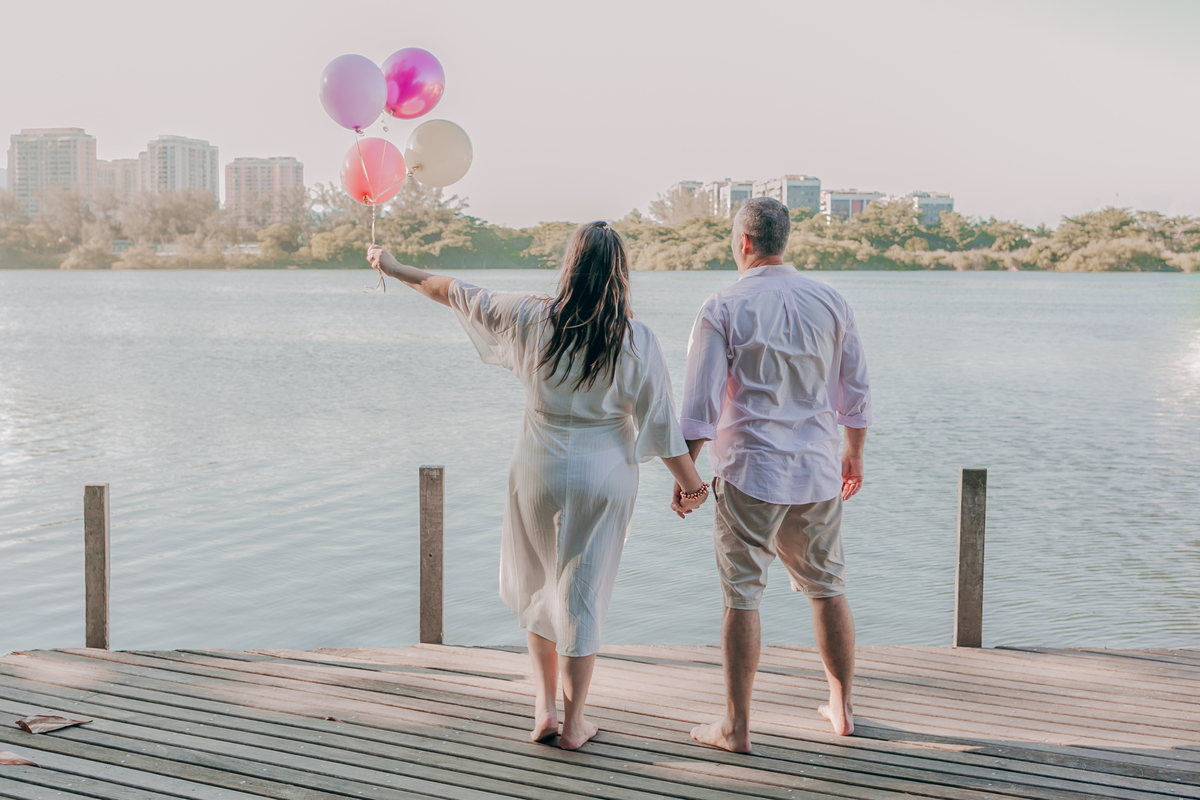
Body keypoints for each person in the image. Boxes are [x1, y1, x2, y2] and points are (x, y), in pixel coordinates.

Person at [367, 223, 709, 750]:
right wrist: (691, 488)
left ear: (569, 266)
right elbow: (661, 426)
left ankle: (545, 711)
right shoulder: (635, 338)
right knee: (582, 594)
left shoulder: (528, 316)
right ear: (619, 274)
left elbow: (447, 289)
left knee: (539, 584)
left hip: (538, 469)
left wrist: (392, 267)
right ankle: (574, 725)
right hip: (604, 475)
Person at [674, 197, 872, 752]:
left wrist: (686, 475)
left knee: (742, 595)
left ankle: (736, 727)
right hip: (816, 468)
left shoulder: (722, 306)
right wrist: (854, 451)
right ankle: (842, 706)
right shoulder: (830, 300)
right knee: (827, 587)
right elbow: (854, 389)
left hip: (749, 472)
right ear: (784, 242)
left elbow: (699, 407)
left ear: (742, 242)